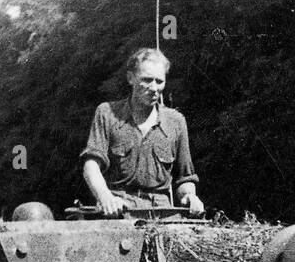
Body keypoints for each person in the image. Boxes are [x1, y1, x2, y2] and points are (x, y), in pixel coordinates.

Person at [80, 47, 204, 218]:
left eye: (159, 81)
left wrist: (190, 196)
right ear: (130, 78)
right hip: (119, 211)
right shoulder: (107, 113)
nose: (154, 88)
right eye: (147, 80)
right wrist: (105, 197)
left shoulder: (176, 121)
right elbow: (91, 166)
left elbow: (185, 178)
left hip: (163, 215)